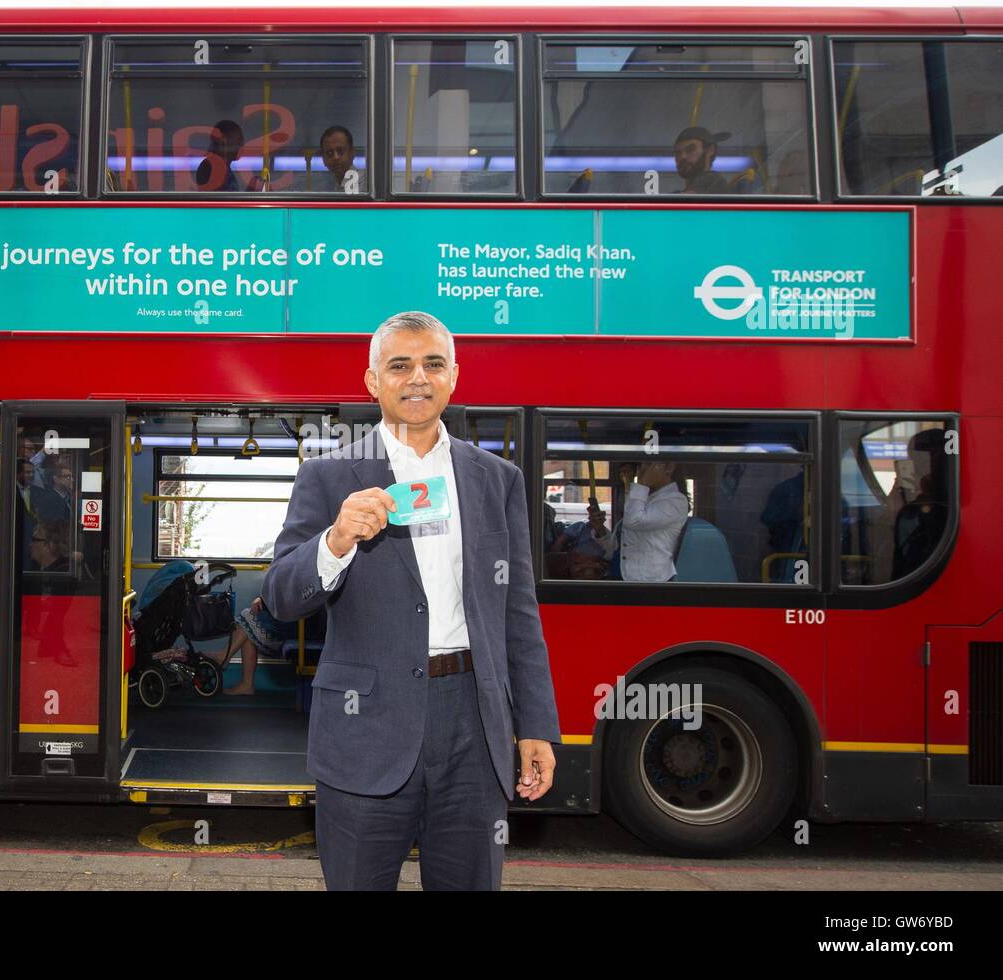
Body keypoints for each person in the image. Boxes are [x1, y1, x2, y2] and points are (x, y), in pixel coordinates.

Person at [262, 310, 559, 891]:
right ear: (373, 381)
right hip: (365, 727)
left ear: (454, 376)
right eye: (400, 365)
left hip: (475, 725)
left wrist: (536, 726)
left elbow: (519, 614)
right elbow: (279, 598)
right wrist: (335, 540)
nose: (417, 377)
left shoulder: (496, 478)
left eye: (432, 364)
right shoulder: (327, 477)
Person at [588, 461, 690, 582]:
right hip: (624, 573)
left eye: (647, 465)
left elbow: (634, 521)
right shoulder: (645, 498)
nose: (641, 470)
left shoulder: (675, 500)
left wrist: (642, 484)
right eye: (640, 466)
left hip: (648, 580)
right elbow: (621, 547)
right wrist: (600, 530)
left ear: (669, 468)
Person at [206, 595, 299, 696]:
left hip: (297, 625)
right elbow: (280, 593)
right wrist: (261, 599)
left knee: (247, 617)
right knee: (249, 631)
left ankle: (223, 657)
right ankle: (247, 685)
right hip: (287, 619)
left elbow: (291, 597)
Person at [890, 429, 949, 580]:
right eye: (914, 462)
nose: (917, 471)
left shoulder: (946, 508)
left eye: (923, 463)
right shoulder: (912, 508)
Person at [673, 126, 731, 194]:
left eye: (691, 149)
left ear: (710, 150)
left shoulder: (714, 180)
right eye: (677, 152)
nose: (683, 156)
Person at [195, 120, 247, 191]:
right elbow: (220, 200)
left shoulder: (223, 166)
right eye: (238, 140)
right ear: (223, 142)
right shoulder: (212, 167)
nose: (242, 145)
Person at [319, 125, 358, 192]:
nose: (335, 157)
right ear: (323, 160)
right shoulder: (335, 188)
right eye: (329, 153)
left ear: (352, 153)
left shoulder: (365, 184)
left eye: (341, 151)